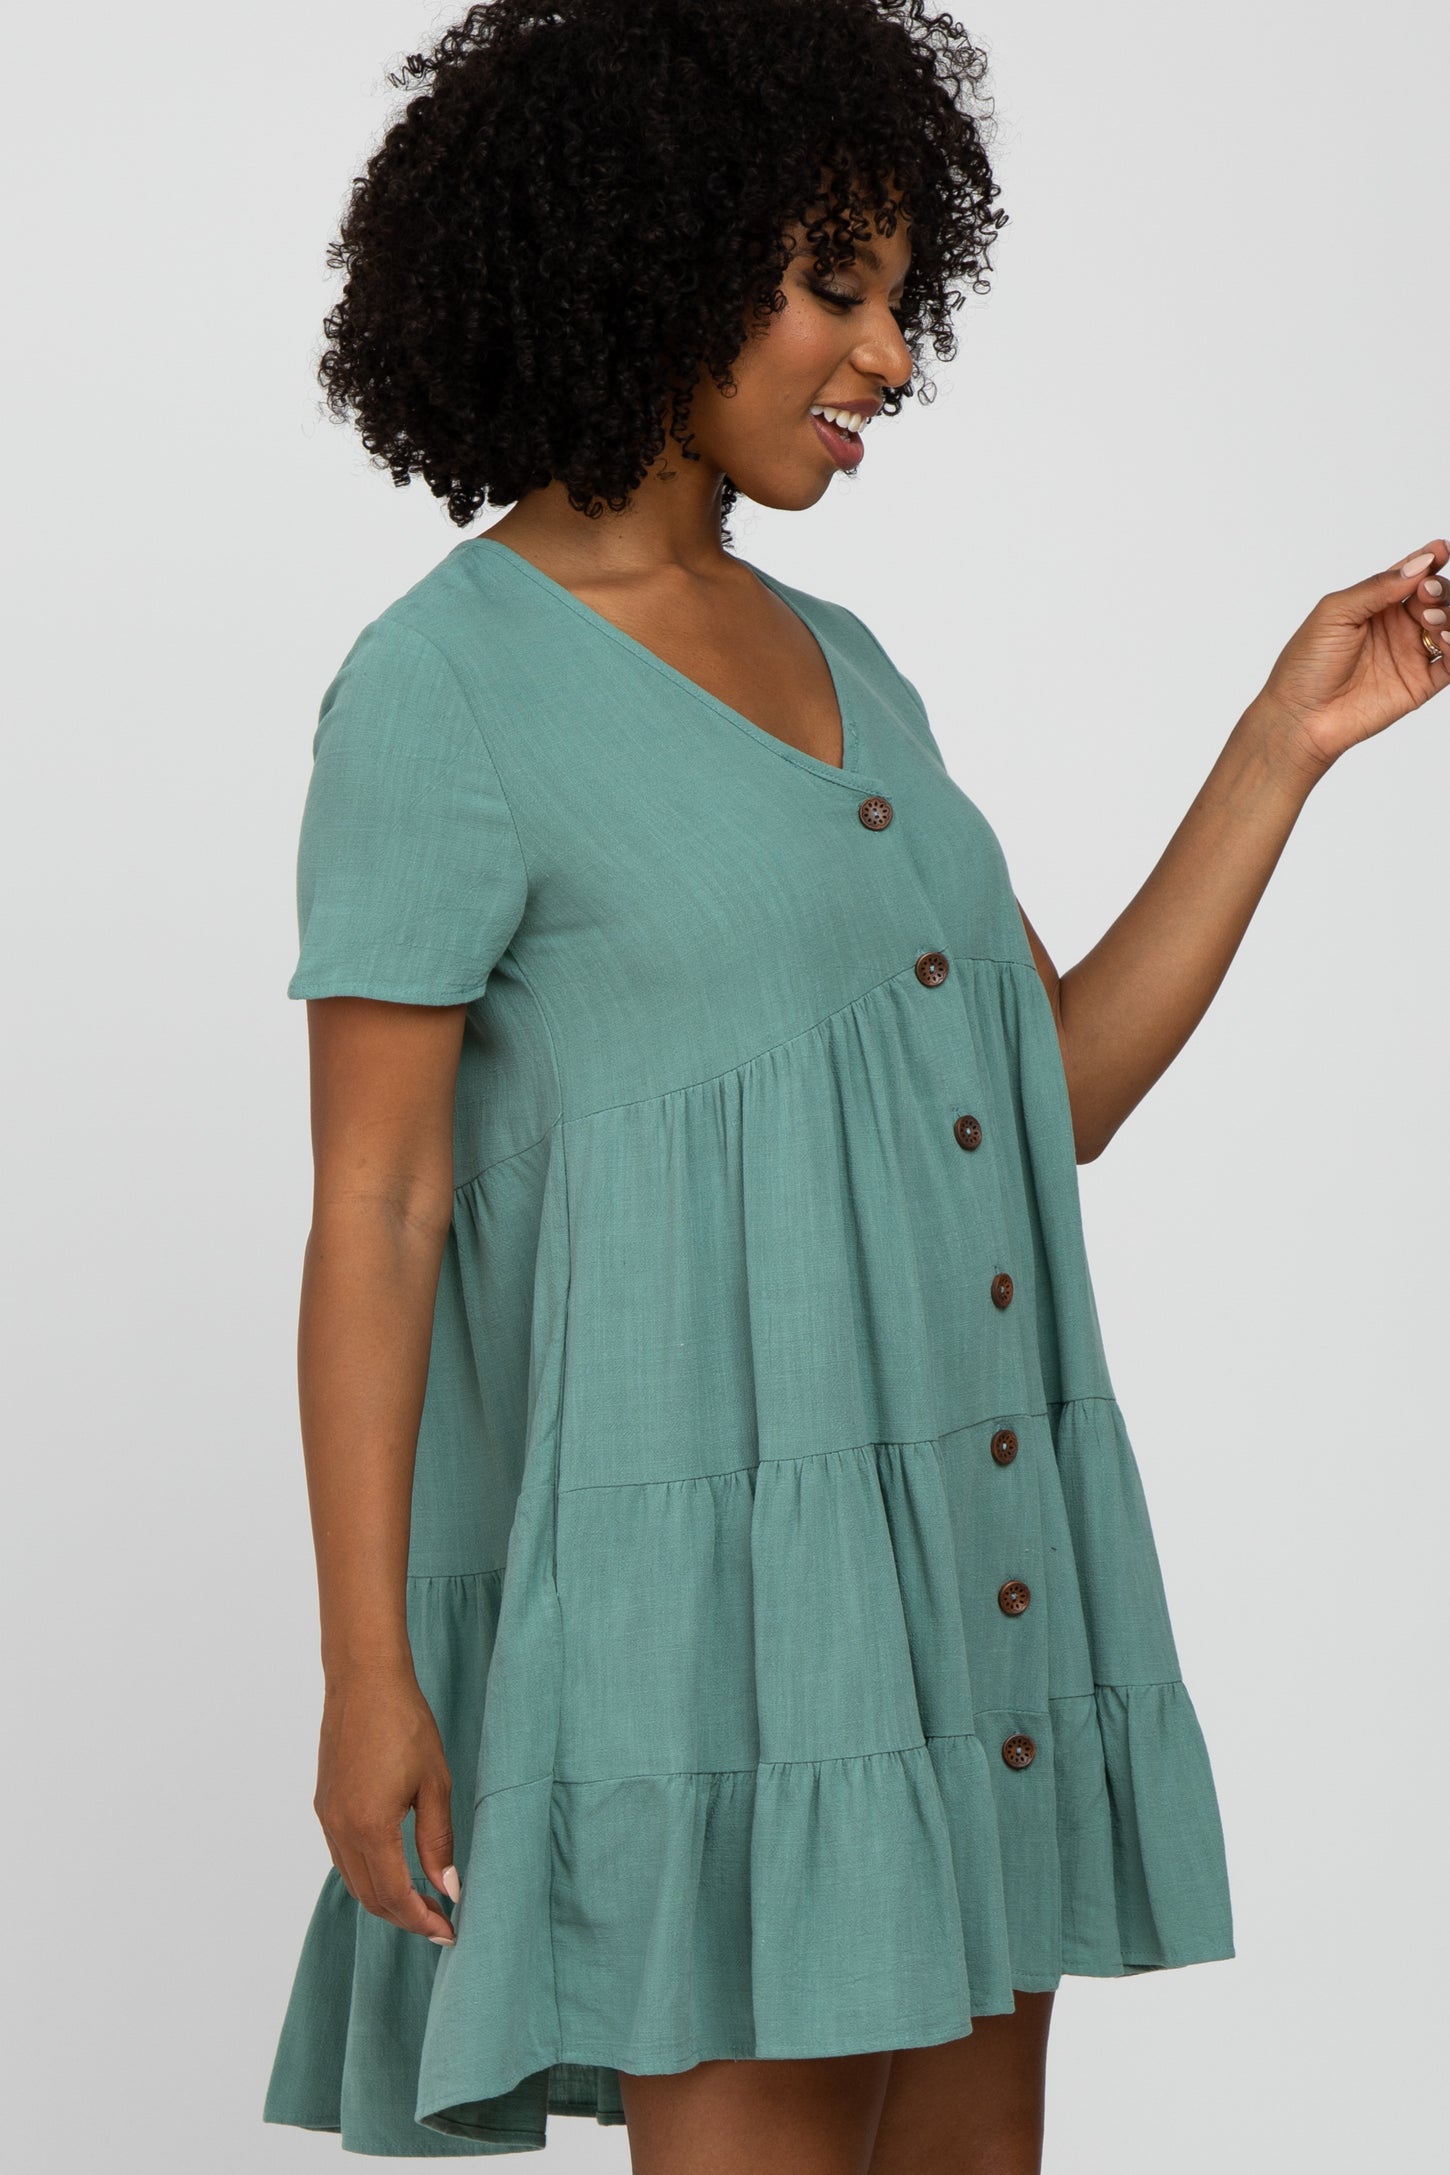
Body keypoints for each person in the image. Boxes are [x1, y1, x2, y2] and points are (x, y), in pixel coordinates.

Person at [260, 3, 1447, 2168]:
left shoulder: (849, 662)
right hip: (714, 1629)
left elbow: (1042, 1096)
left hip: (967, 1560)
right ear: (647, 254)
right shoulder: (440, 685)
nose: (892, 357)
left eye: (904, 298)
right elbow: (380, 1209)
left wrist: (1282, 746)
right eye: (836, 287)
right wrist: (368, 1672)